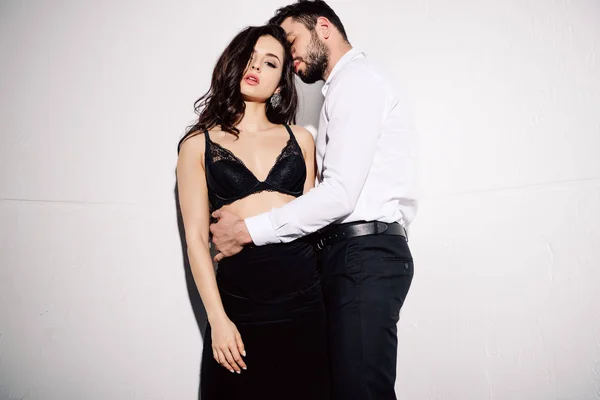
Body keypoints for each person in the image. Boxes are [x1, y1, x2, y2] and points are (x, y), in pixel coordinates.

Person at [209, 1, 418, 399]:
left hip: (363, 254)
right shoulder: (343, 87)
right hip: (351, 258)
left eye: (292, 43)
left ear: (323, 27)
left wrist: (249, 230)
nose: (291, 60)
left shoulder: (356, 80)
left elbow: (338, 195)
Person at [176, 24, 329, 400]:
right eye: (250, 56)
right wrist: (217, 319)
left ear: (281, 84)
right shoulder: (198, 144)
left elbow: (312, 218)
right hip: (239, 308)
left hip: (306, 303)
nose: (256, 65)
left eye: (271, 62)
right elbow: (195, 240)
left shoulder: (301, 139)